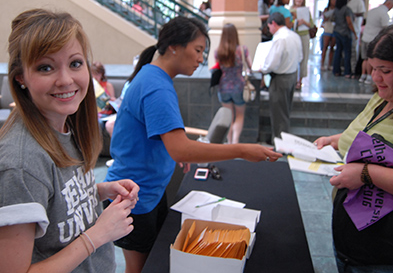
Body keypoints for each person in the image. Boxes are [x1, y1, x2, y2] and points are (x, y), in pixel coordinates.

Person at [104, 16, 282, 273]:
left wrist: (173, 152)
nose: (201, 59)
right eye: (198, 50)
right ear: (174, 46)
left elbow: (160, 137)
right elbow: (181, 148)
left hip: (145, 190)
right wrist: (242, 149)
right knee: (142, 267)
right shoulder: (156, 86)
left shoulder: (154, 77)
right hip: (133, 196)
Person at [0, 8, 140, 272]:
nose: (65, 80)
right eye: (45, 67)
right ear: (21, 77)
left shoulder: (64, 123)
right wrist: (97, 235)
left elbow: (49, 206)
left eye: (75, 63)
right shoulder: (16, 166)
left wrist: (95, 192)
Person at [315, 22, 393, 272]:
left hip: (389, 249)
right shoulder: (384, 96)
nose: (376, 77)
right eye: (373, 68)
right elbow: (370, 134)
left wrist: (366, 174)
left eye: (385, 70)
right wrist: (336, 140)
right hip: (353, 242)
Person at [255, 12, 302, 144]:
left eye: (269, 26)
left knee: (278, 114)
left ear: (273, 23)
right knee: (285, 110)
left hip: (280, 79)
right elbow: (300, 57)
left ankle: (281, 144)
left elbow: (273, 63)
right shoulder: (294, 36)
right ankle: (282, 140)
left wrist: (262, 68)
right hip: (292, 76)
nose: (269, 30)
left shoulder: (279, 39)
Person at [215, 23, 252, 144]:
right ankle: (235, 141)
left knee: (229, 116)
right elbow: (250, 67)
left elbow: (217, 68)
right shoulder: (243, 49)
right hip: (239, 86)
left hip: (223, 87)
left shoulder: (218, 51)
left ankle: (229, 140)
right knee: (239, 115)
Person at [358, 0, 393, 85]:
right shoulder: (383, 13)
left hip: (365, 37)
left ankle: (363, 75)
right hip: (373, 39)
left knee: (365, 59)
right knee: (371, 59)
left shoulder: (372, 11)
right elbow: (386, 27)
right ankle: (368, 76)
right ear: (389, 4)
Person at [290, 0, 314, 90]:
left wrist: (304, 22)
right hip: (295, 34)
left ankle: (300, 80)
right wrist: (296, 23)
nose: (299, 0)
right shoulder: (291, 10)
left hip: (304, 35)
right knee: (294, 57)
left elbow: (311, 25)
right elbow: (289, 23)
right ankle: (294, 79)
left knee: (304, 57)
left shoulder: (306, 10)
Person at [332, 0, 357, 77]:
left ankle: (336, 71)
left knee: (338, 51)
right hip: (345, 33)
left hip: (337, 31)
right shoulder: (347, 9)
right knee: (347, 53)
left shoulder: (336, 9)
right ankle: (347, 72)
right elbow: (349, 22)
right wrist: (354, 33)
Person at [347, 0, 366, 77]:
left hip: (355, 27)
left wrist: (352, 14)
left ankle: (354, 69)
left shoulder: (359, 1)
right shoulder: (346, 1)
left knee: (354, 50)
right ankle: (348, 68)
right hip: (346, 29)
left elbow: (362, 13)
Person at [321, 0, 336, 71]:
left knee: (332, 48)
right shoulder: (327, 9)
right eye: (332, 0)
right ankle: (322, 64)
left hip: (334, 29)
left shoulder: (337, 10)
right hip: (327, 29)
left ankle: (329, 64)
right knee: (325, 47)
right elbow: (324, 19)